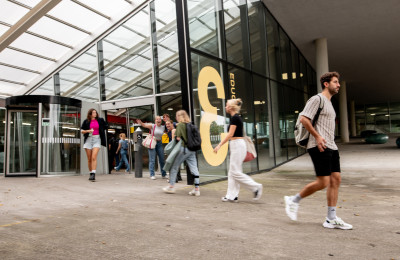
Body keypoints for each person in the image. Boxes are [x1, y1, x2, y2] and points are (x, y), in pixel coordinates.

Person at [284, 71, 353, 230]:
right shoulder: (317, 99)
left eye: (338, 82)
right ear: (326, 84)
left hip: (332, 146)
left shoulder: (330, 103)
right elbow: (304, 119)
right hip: (318, 145)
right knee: (323, 182)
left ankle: (331, 218)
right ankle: (293, 200)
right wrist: (318, 136)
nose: (338, 85)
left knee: (336, 179)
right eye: (335, 82)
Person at [213, 98, 263, 202]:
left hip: (237, 145)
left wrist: (219, 145)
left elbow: (230, 134)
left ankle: (256, 187)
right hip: (236, 145)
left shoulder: (235, 118)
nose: (225, 107)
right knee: (232, 172)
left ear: (230, 107)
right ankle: (232, 196)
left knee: (235, 172)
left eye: (226, 105)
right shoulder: (235, 118)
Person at [163, 110, 200, 195]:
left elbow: (178, 138)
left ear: (180, 117)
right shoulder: (191, 125)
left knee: (174, 166)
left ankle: (171, 187)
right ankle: (197, 189)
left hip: (184, 149)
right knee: (194, 168)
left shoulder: (180, 125)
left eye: (177, 116)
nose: (176, 118)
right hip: (192, 149)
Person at [81, 108, 108, 181]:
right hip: (88, 140)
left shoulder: (100, 120)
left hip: (97, 139)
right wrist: (88, 131)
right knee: (89, 159)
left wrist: (101, 129)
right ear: (90, 114)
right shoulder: (86, 121)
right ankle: (90, 173)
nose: (95, 114)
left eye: (95, 112)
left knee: (94, 157)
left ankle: (93, 174)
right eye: (93, 113)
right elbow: (82, 131)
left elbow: (106, 126)